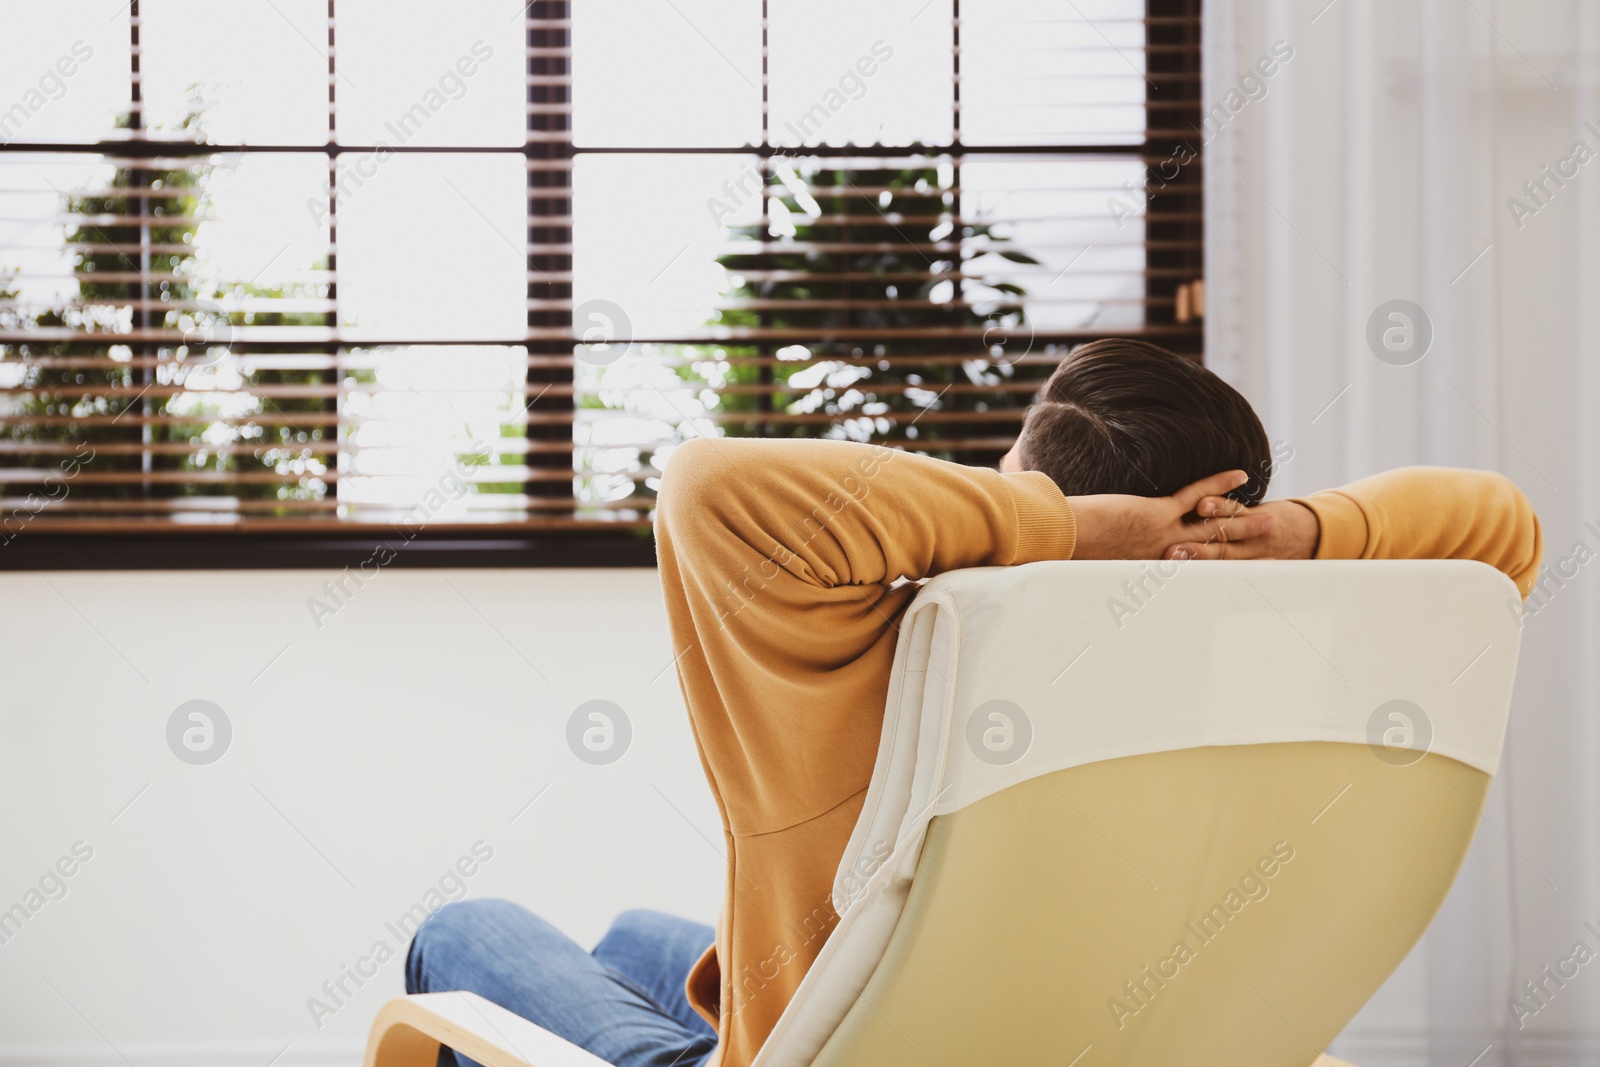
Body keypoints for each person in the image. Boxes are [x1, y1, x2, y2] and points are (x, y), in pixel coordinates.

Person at [405, 339, 1543, 1067]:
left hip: (853, 1047)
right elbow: (1501, 529)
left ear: (1029, 488)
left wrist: (1069, 530)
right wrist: (1299, 535)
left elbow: (710, 483)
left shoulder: (877, 648)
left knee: (463, 928)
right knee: (638, 938)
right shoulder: (1276, 673)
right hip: (1118, 1026)